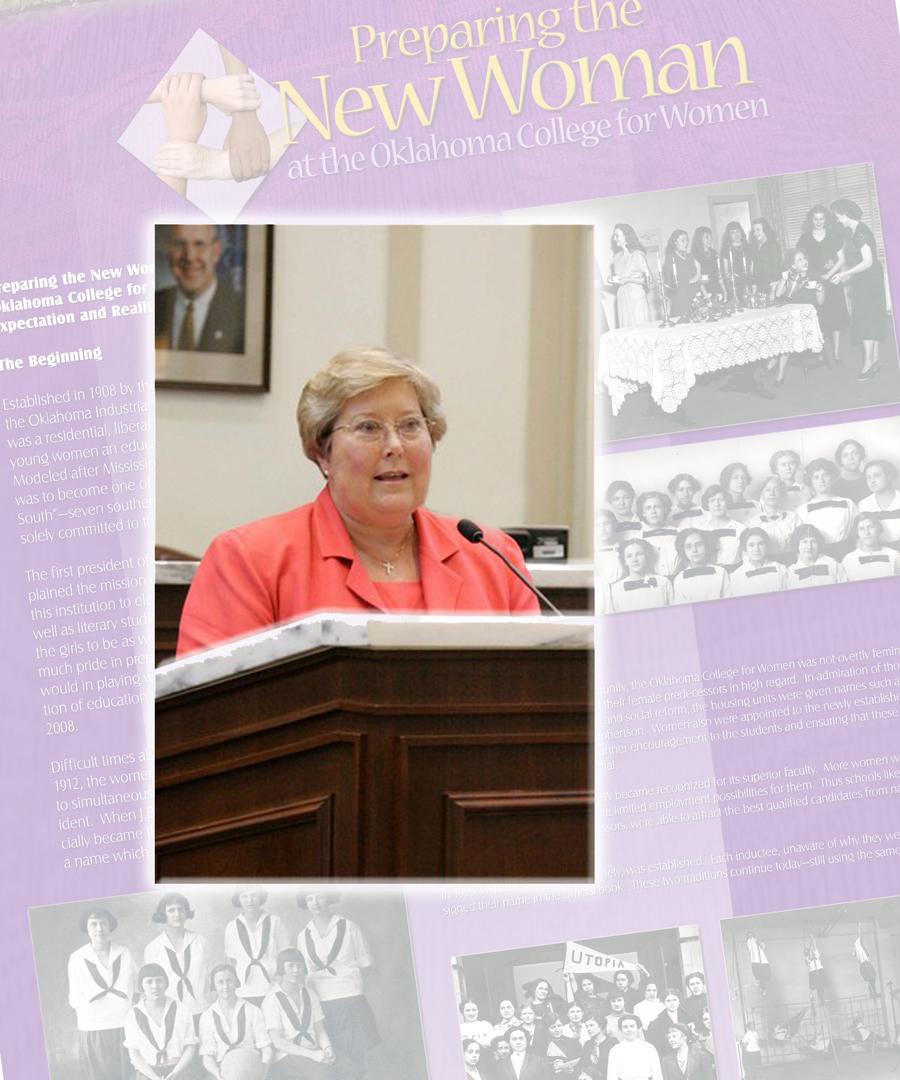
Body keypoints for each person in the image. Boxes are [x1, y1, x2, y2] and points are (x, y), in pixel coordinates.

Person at [176, 348, 540, 653]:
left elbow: (533, 705)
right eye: (368, 427)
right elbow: (211, 718)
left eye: (411, 426)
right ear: (322, 452)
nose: (394, 446)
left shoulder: (493, 557)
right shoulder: (248, 561)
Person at [296, 893, 379, 1080]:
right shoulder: (304, 935)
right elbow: (305, 972)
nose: (315, 903)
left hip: (350, 999)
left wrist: (350, 987)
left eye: (320, 897)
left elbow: (366, 964)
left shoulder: (349, 927)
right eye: (310, 899)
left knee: (356, 1058)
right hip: (321, 1002)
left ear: (329, 898)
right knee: (333, 1058)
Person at [67, 907, 137, 1080]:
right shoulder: (77, 957)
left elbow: (136, 986)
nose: (99, 929)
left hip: (123, 1025)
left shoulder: (124, 952)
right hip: (94, 1028)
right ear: (87, 928)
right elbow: (74, 996)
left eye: (103, 923)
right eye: (94, 924)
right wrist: (88, 1012)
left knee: (126, 1073)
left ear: (110, 926)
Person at [155, 224, 245, 353]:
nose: (190, 256)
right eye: (180, 244)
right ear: (169, 251)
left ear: (216, 252)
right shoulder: (149, 308)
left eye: (199, 244)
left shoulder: (242, 313)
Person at [829, 198, 887, 379]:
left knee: (865, 320)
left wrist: (845, 274)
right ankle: (875, 360)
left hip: (868, 280)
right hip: (868, 278)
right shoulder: (857, 230)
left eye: (838, 217)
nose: (837, 220)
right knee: (871, 318)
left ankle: (868, 364)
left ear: (845, 215)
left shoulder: (860, 233)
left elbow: (868, 262)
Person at [261, 948, 335, 1078]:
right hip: (287, 1056)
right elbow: (278, 1042)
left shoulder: (310, 994)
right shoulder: (271, 1000)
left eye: (299, 966)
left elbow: (320, 1029)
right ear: (281, 968)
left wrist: (327, 1048)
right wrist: (312, 1055)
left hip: (313, 1052)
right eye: (290, 966)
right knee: (323, 1076)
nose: (296, 970)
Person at [145, 892, 210, 1031]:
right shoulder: (153, 948)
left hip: (201, 1009)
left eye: (180, 909)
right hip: (170, 1013)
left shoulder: (200, 941)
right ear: (163, 914)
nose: (177, 914)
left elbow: (207, 976)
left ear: (186, 912)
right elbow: (151, 986)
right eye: (171, 910)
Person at [123, 963, 199, 1079]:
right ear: (141, 985)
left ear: (166, 983)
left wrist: (175, 1074)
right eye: (149, 982)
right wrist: (154, 1078)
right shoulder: (132, 1015)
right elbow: (134, 1055)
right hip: (148, 1072)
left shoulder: (182, 1010)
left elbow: (190, 1047)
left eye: (159, 981)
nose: (155, 986)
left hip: (179, 1069)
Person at [795, 205, 848, 365]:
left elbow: (842, 260)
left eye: (822, 219)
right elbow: (800, 259)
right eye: (815, 219)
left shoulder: (833, 235)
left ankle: (837, 352)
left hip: (832, 279)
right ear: (811, 220)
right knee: (819, 317)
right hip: (813, 280)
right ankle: (820, 352)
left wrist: (829, 272)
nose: (819, 222)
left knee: (836, 315)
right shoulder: (805, 238)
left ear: (826, 220)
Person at [199, 964, 272, 1079]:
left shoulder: (252, 1010)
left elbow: (266, 1047)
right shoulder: (207, 1016)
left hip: (250, 1065)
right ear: (214, 985)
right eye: (220, 982)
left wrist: (264, 1071)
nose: (225, 986)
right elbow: (207, 1056)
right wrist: (217, 1073)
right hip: (222, 1069)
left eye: (229, 981)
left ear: (236, 982)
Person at [224, 890, 288, 1006]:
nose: (250, 901)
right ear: (238, 899)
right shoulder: (231, 926)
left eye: (254, 895)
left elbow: (285, 956)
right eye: (244, 896)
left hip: (272, 988)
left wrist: (281, 982)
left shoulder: (275, 921)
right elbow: (231, 961)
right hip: (243, 990)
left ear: (261, 897)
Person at [771, 249, 826, 382]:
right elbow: (778, 295)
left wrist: (820, 290)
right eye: (799, 260)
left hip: (808, 317)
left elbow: (820, 302)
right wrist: (783, 280)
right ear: (793, 265)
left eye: (805, 258)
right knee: (784, 331)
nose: (804, 261)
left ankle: (776, 367)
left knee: (787, 334)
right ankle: (777, 367)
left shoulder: (815, 276)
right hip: (793, 316)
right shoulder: (791, 278)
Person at [797, 459, 856, 557]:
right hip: (817, 554)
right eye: (816, 477)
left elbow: (856, 531)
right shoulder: (804, 509)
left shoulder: (848, 503)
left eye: (825, 475)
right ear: (810, 481)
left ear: (832, 477)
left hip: (845, 551)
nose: (821, 480)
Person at [607, 539, 673, 613]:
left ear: (646, 556)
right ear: (625, 561)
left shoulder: (663, 582)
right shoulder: (617, 588)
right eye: (629, 556)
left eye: (639, 554)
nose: (634, 559)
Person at [746, 477, 800, 563]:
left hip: (791, 561)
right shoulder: (753, 522)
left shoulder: (793, 517)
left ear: (782, 493)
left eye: (776, 490)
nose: (772, 493)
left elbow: (800, 544)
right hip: (766, 564)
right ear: (761, 494)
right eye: (767, 490)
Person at [671, 531, 732, 604]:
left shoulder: (721, 572)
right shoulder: (679, 578)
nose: (694, 550)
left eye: (699, 545)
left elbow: (729, 602)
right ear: (683, 550)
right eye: (688, 547)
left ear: (706, 546)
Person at [608, 225, 651, 328]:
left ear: (626, 236)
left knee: (640, 330)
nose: (614, 239)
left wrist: (629, 279)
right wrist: (611, 279)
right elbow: (620, 278)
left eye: (617, 236)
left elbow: (650, 281)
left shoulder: (637, 255)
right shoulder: (616, 257)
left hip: (636, 297)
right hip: (622, 297)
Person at [729, 528, 788, 597]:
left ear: (766, 546)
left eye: (760, 544)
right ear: (745, 548)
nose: (756, 549)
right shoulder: (737, 576)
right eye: (751, 545)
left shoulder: (780, 568)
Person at [787, 525, 847, 589]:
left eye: (813, 541)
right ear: (797, 545)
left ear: (819, 544)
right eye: (804, 542)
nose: (809, 546)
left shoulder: (833, 565)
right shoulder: (791, 572)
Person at [842, 514, 900, 581]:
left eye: (871, 527)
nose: (867, 532)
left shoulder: (894, 556)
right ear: (857, 533)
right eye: (862, 529)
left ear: (878, 529)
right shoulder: (848, 559)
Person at [858, 459, 900, 548]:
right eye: (868, 477)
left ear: (889, 476)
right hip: (877, 551)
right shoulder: (864, 505)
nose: (872, 481)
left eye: (876, 476)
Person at [699, 486, 744, 569]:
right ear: (707, 504)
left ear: (727, 502)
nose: (717, 504)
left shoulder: (740, 529)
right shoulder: (701, 530)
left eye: (721, 500)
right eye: (712, 500)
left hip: (735, 573)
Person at [607, 1015, 663, 1080]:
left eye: (632, 1026)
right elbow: (611, 1076)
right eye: (625, 1027)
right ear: (621, 1029)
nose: (629, 1030)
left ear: (637, 1028)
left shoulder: (649, 1048)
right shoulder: (615, 1050)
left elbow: (657, 1074)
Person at [637, 493, 679, 577]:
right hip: (653, 582)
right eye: (648, 508)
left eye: (657, 507)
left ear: (665, 509)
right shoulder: (638, 536)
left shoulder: (678, 532)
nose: (653, 511)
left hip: (677, 578)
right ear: (643, 513)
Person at [662, 230, 699, 318]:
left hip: (694, 298)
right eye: (682, 240)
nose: (686, 243)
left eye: (687, 240)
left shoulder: (690, 257)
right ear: (675, 242)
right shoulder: (670, 259)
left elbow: (697, 277)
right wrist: (691, 281)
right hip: (680, 299)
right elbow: (669, 283)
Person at [748, 218, 783, 300]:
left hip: (772, 286)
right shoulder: (755, 247)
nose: (755, 233)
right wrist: (754, 289)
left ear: (765, 230)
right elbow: (754, 269)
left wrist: (773, 290)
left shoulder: (773, 246)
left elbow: (775, 268)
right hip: (760, 287)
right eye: (754, 231)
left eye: (758, 230)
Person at [720, 222, 753, 303]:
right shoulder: (726, 250)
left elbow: (752, 268)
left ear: (741, 232)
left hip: (749, 283)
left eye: (737, 231)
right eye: (732, 232)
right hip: (735, 286)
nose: (736, 234)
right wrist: (732, 292)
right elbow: (726, 273)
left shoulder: (748, 247)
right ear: (729, 235)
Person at [690, 228, 721, 298]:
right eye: (707, 237)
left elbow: (719, 274)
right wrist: (706, 296)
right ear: (700, 239)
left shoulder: (714, 253)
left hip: (716, 288)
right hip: (703, 291)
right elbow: (698, 277)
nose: (710, 239)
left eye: (710, 236)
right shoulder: (695, 255)